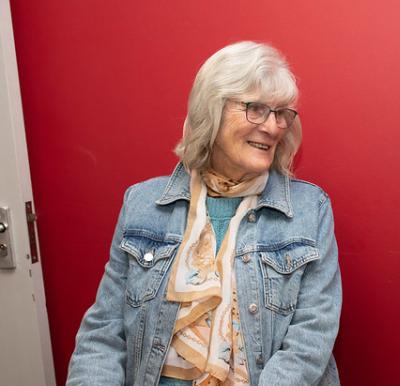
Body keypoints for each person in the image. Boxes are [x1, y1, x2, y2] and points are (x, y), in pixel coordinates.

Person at [67, 41, 342, 386]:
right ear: (211, 109)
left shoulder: (308, 209)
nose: (273, 128)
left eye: (281, 113)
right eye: (255, 109)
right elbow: (104, 335)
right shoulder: (142, 204)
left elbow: (310, 340)